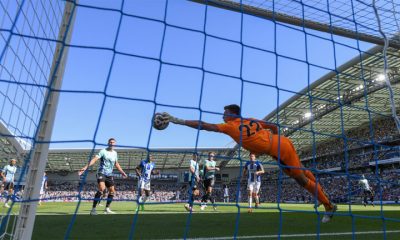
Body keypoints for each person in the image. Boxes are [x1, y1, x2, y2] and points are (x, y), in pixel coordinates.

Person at [157, 104, 337, 223]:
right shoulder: (249, 120)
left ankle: (328, 205)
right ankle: (322, 198)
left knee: (300, 179)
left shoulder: (230, 126)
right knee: (300, 172)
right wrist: (270, 142)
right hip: (281, 144)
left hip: (278, 149)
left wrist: (177, 120)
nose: (223, 114)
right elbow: (273, 126)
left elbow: (204, 125)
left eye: (225, 112)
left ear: (232, 114)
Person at [78, 138, 127, 215]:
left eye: (113, 142)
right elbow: (94, 159)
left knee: (112, 191)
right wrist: (85, 168)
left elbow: (116, 164)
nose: (112, 143)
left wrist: (122, 172)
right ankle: (93, 209)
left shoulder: (115, 153)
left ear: (115, 144)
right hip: (101, 173)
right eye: (110, 142)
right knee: (101, 189)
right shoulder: (103, 151)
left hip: (109, 174)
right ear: (108, 143)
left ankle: (107, 209)